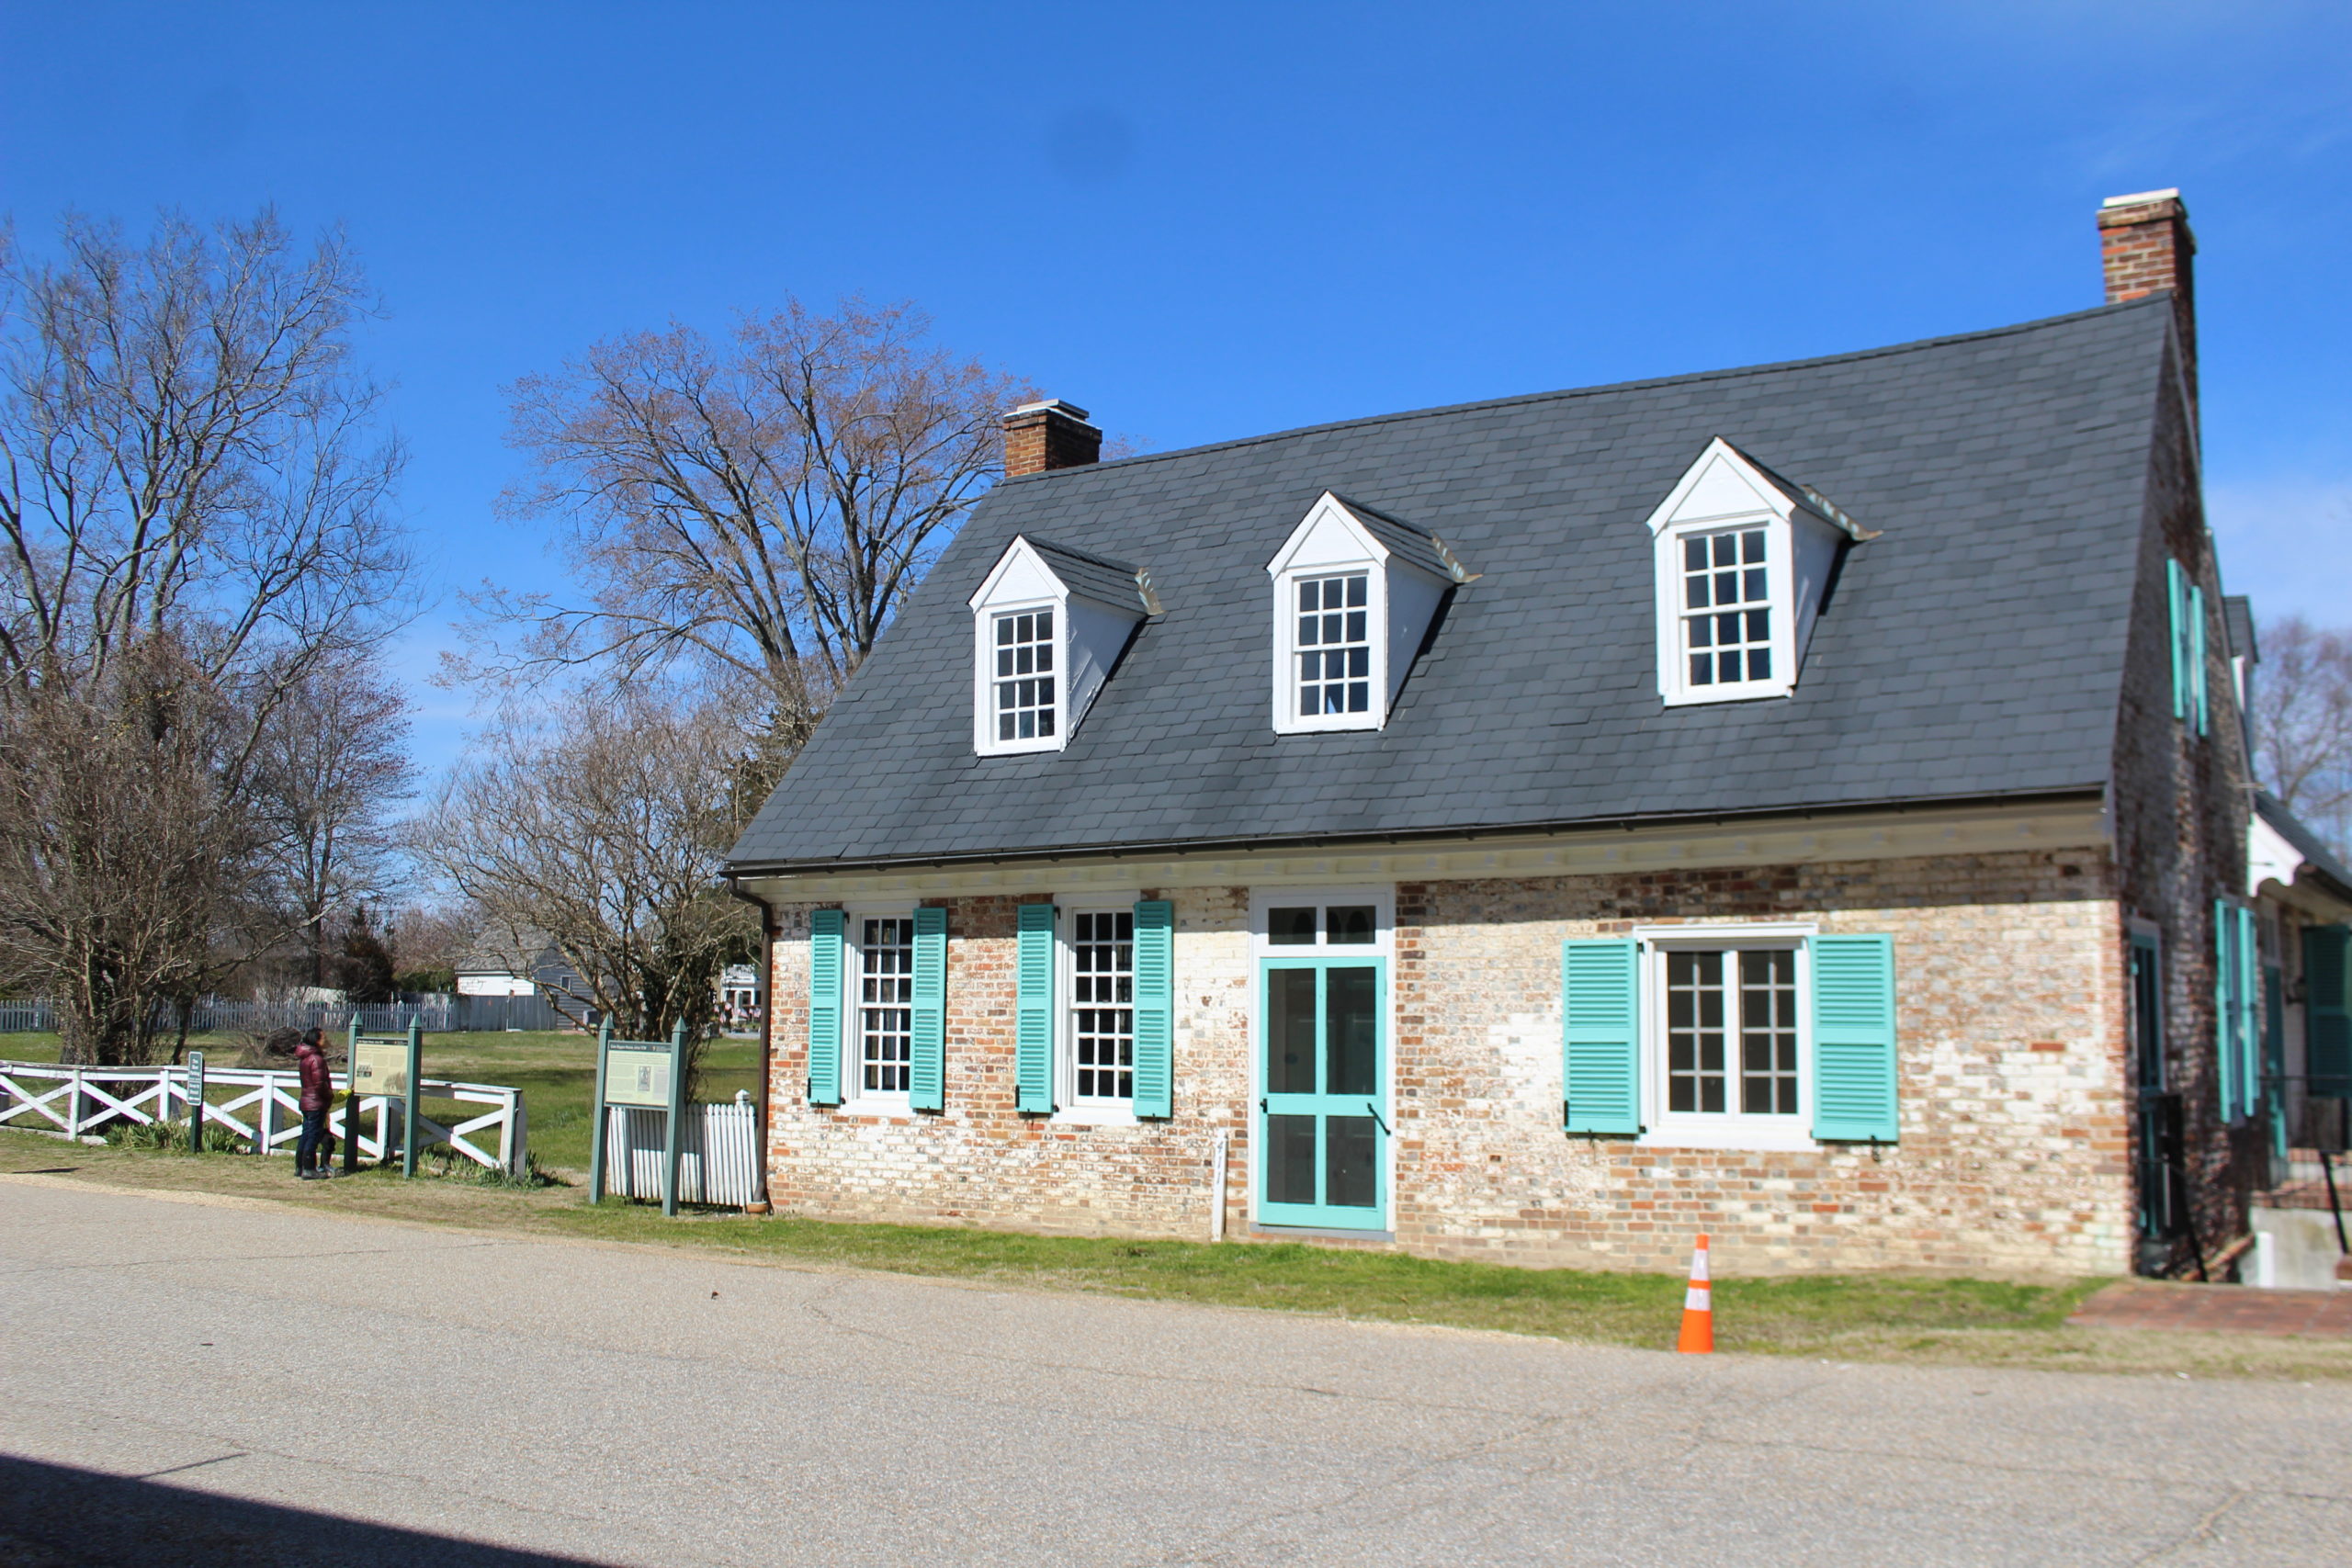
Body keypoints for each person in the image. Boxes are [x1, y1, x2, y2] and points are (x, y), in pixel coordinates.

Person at [294, 1029, 334, 1180]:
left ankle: (300, 1166)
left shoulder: (305, 1058)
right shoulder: (316, 1059)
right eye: (323, 1037)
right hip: (315, 1103)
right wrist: (329, 1095)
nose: (326, 1039)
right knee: (313, 1135)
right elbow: (320, 1084)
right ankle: (309, 1168)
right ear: (317, 1040)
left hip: (306, 1101)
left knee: (306, 1133)